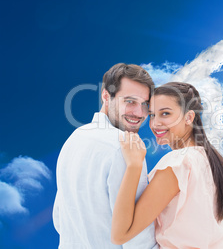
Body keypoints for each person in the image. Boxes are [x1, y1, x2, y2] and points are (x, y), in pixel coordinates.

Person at [111, 82, 223, 248]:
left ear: (189, 117)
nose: (155, 123)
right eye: (152, 115)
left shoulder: (178, 163)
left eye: (165, 114)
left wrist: (134, 165)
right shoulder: (208, 158)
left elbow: (121, 235)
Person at [53, 63, 158, 249]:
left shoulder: (74, 138)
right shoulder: (127, 149)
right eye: (130, 101)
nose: (139, 113)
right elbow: (139, 241)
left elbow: (59, 220)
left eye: (145, 104)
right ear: (106, 96)